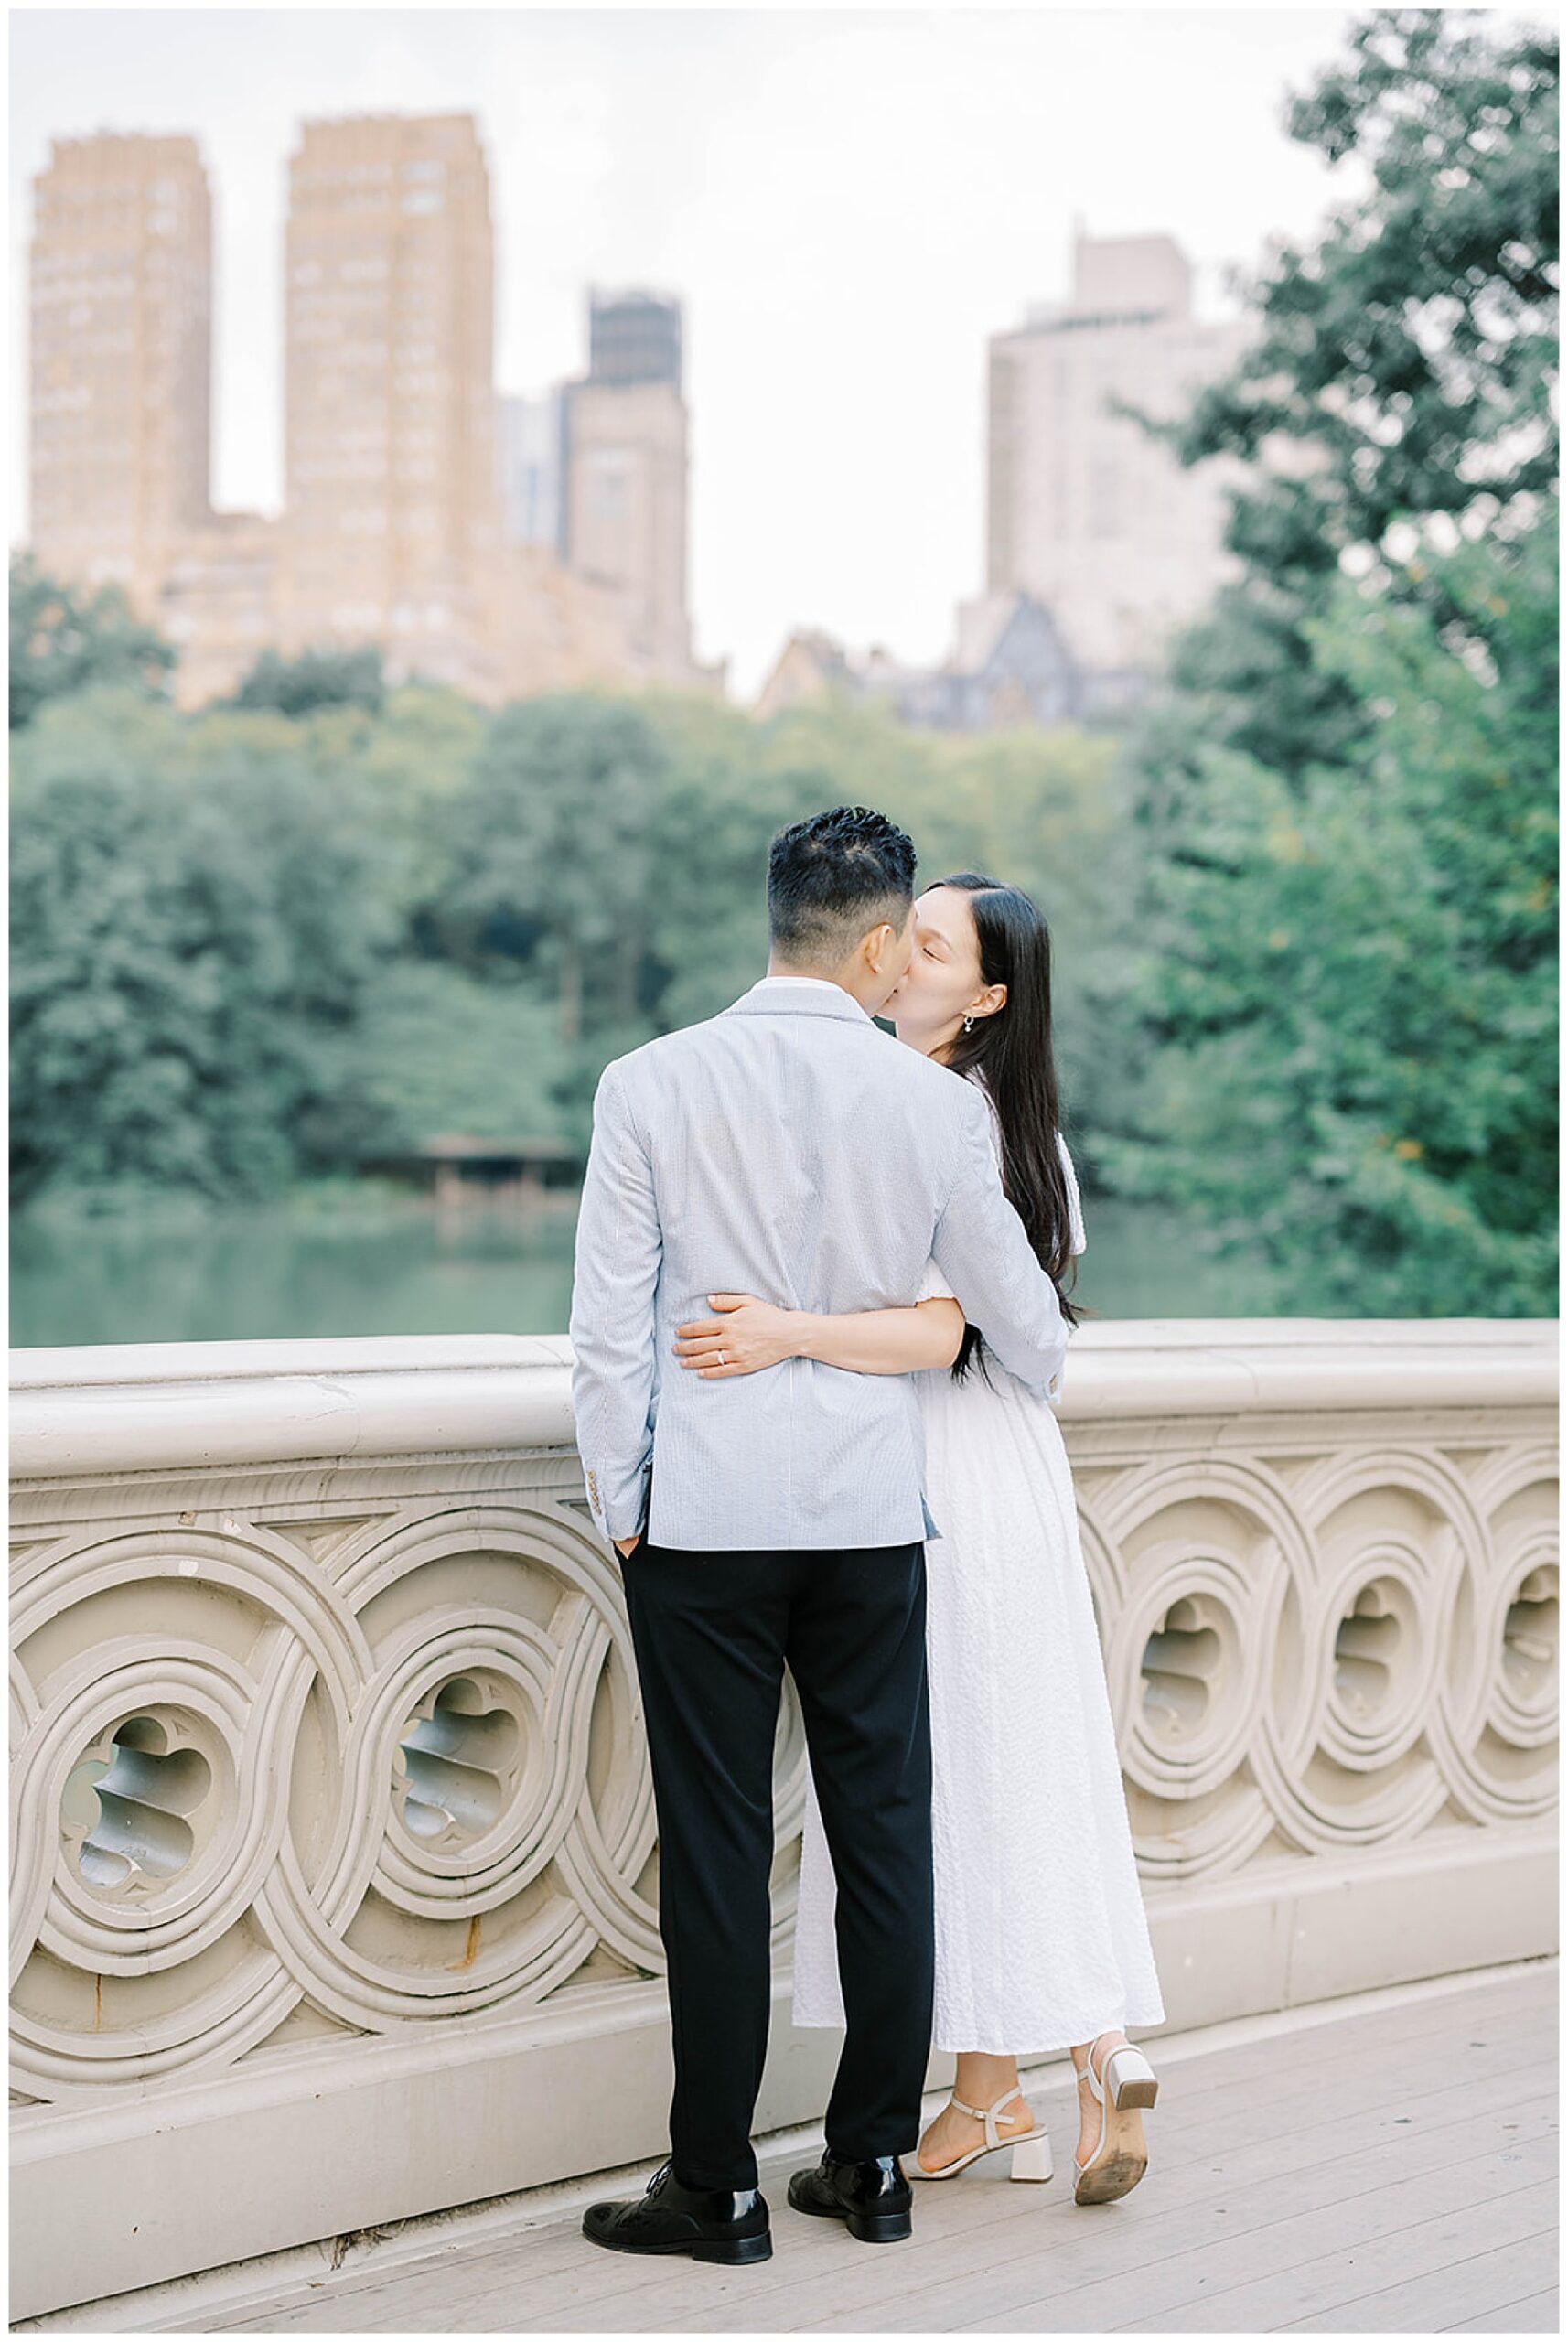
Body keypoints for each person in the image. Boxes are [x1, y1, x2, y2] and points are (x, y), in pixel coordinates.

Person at [569, 811, 1070, 2266]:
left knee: (719, 1851)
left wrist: (623, 1502)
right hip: (864, 1519)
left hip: (704, 1520)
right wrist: (1010, 1363)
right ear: (871, 943)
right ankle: (872, 2169)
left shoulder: (649, 1081)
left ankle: (714, 2187)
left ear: (773, 920)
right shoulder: (931, 1108)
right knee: (885, 1835)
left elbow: (610, 1329)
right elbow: (1015, 1318)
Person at [673, 873, 1165, 2209]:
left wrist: (780, 1330)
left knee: (931, 1781)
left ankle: (1067, 2051)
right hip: (1000, 1468)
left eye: (931, 944)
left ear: (985, 995)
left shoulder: (944, 1119)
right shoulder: (1018, 1126)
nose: (897, 953)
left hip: (925, 1465)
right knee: (997, 1761)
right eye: (903, 932)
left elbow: (952, 1334)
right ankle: (1000, 2084)